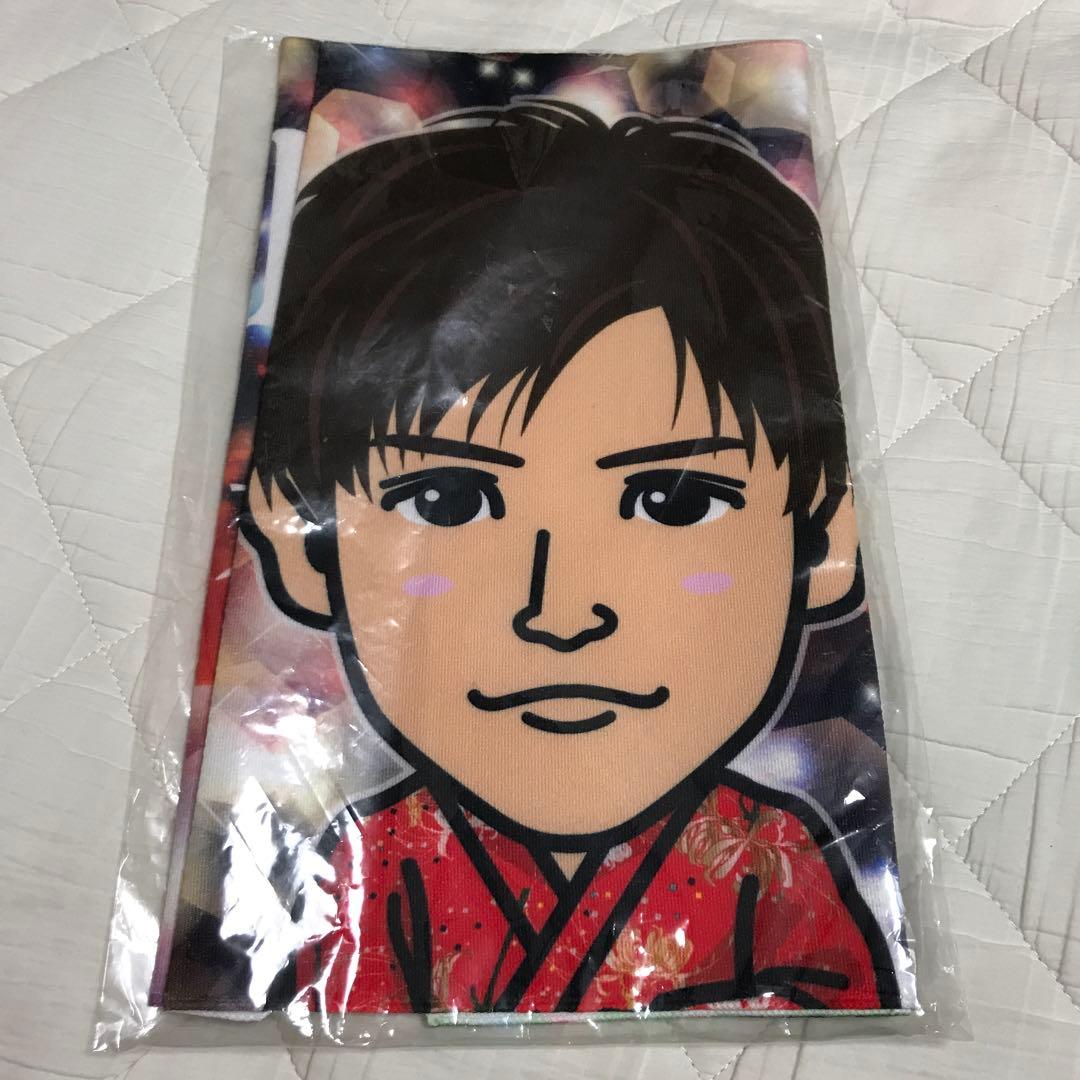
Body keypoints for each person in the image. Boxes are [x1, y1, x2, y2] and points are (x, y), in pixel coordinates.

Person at [244, 99, 900, 1014]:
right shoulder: (379, 868)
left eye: (674, 500)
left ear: (824, 537)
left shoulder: (774, 869)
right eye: (448, 500)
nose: (559, 611)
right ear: (302, 538)